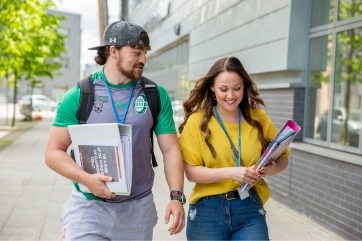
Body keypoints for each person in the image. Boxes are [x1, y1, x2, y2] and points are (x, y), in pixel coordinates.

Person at [44, 20, 185, 240]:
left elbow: (170, 151)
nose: (143, 60)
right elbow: (53, 152)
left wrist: (176, 196)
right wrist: (86, 179)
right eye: (137, 52)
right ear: (113, 51)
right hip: (88, 209)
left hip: (138, 210)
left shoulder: (155, 95)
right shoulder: (79, 95)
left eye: (145, 53)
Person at [178, 56, 289, 240]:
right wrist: (232, 172)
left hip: (249, 208)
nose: (231, 96)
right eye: (224, 89)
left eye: (237, 88)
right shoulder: (197, 122)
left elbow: (283, 159)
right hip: (208, 211)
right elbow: (191, 173)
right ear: (212, 88)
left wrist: (272, 168)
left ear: (244, 86)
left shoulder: (259, 118)